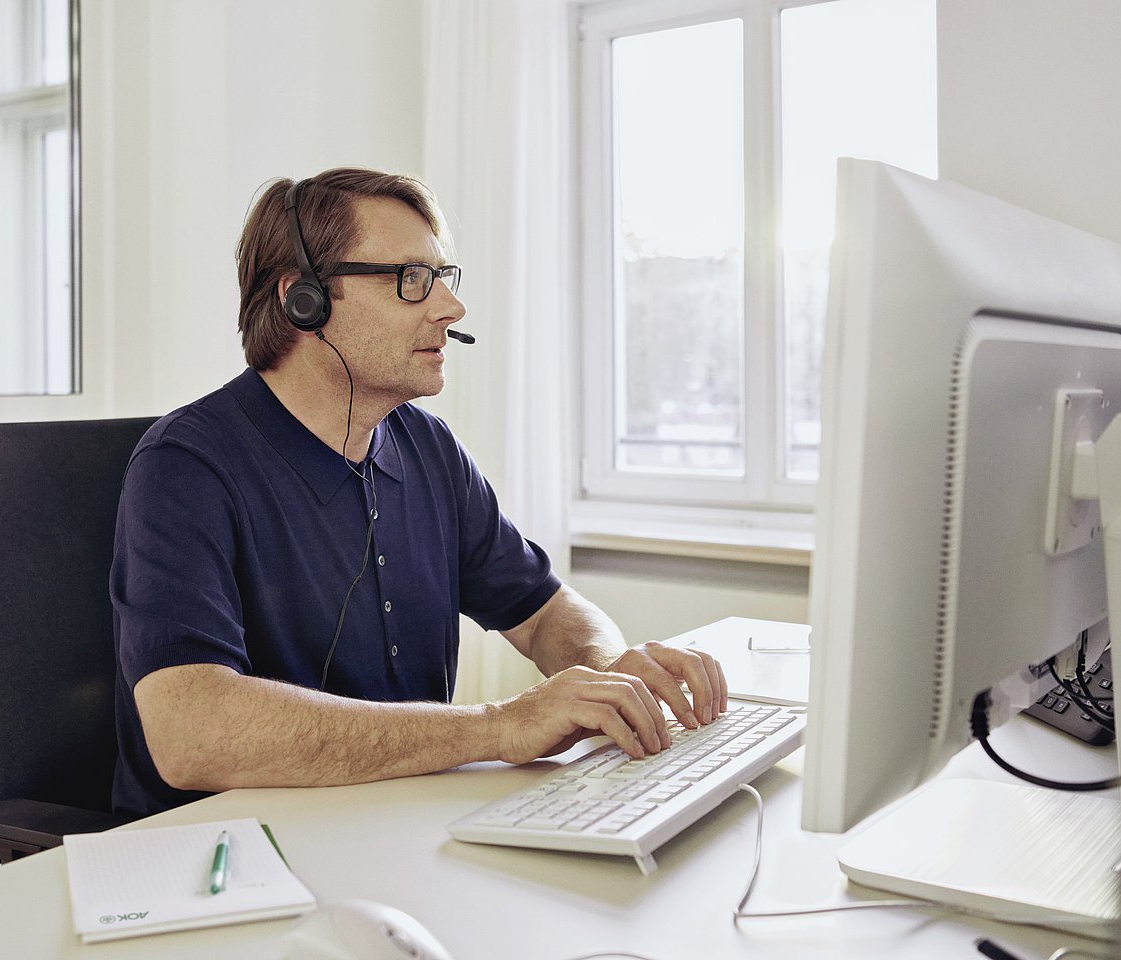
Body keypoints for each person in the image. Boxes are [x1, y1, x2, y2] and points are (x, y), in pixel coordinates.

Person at [110, 167, 727, 816]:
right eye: (410, 280)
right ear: (304, 300)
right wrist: (499, 726)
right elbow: (191, 736)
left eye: (442, 278)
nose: (449, 308)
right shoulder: (185, 466)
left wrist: (608, 673)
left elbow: (546, 612)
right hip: (224, 859)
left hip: (391, 826)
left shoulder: (428, 449)